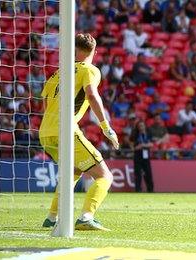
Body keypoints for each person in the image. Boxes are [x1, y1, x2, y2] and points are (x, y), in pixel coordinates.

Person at [39, 34, 118, 231]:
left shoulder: (57, 73)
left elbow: (44, 103)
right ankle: (86, 216)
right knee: (104, 176)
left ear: (75, 49)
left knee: (72, 172)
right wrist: (106, 127)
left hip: (45, 132)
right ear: (95, 51)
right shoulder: (89, 70)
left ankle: (51, 217)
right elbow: (91, 94)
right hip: (65, 130)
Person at [130, 120, 154, 193]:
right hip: (138, 156)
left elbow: (151, 144)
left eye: (142, 126)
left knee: (148, 173)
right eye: (140, 126)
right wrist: (135, 148)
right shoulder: (135, 135)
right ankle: (138, 189)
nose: (141, 128)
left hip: (146, 156)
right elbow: (132, 145)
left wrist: (143, 145)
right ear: (137, 127)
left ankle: (150, 189)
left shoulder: (148, 134)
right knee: (138, 174)